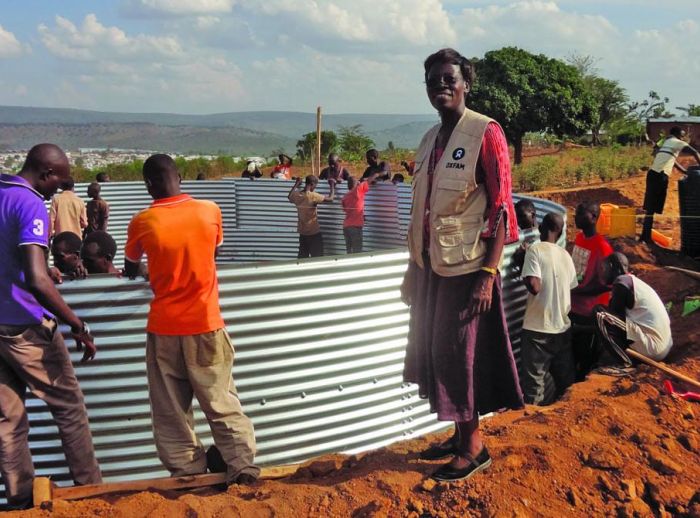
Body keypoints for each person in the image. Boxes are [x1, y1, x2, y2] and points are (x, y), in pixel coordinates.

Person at [401, 48, 523, 482]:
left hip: (468, 269)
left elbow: (502, 208)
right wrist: (412, 269)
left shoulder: (485, 133)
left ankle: (474, 449)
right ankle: (459, 435)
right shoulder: (430, 139)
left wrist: (489, 274)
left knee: (459, 356)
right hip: (433, 268)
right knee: (439, 354)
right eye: (433, 79)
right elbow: (425, 212)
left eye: (449, 78)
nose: (441, 86)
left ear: (466, 84)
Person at [124, 154, 259, 486]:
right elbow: (211, 253)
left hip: (164, 329)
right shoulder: (209, 211)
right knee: (221, 400)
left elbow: (130, 268)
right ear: (180, 177)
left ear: (148, 185)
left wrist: (148, 268)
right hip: (207, 324)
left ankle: (188, 472)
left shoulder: (142, 221)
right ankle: (241, 466)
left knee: (171, 410)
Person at [0, 143, 101, 509]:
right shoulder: (28, 203)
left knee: (8, 419)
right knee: (69, 407)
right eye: (57, 183)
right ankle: (91, 492)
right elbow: (37, 281)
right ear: (44, 174)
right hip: (25, 327)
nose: (56, 190)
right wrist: (77, 324)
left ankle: (20, 502)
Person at [520, 213, 578, 405]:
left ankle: (531, 425)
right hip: (562, 328)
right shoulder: (566, 255)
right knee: (565, 382)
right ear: (560, 231)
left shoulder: (535, 250)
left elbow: (534, 287)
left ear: (540, 228)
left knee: (534, 385)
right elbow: (570, 287)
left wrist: (523, 263)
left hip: (537, 330)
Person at [594, 253, 673, 369]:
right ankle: (629, 358)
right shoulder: (633, 283)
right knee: (606, 318)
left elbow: (613, 319)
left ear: (612, 266)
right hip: (661, 347)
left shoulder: (622, 282)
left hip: (652, 347)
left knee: (600, 314)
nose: (602, 273)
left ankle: (625, 362)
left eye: (604, 268)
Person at [569, 201, 614, 379]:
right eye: (576, 213)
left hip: (590, 312)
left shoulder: (602, 247)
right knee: (573, 355)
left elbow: (608, 283)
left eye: (581, 213)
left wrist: (581, 291)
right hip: (574, 307)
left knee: (585, 358)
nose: (576, 217)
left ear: (594, 217)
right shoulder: (580, 239)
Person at [640, 126, 700, 243]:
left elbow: (673, 160)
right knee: (652, 207)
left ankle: (645, 236)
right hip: (660, 175)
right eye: (682, 136)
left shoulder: (667, 142)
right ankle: (645, 237)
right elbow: (695, 152)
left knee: (651, 208)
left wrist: (685, 171)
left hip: (653, 174)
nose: (684, 138)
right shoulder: (677, 142)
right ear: (677, 135)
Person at [288, 175, 335, 258]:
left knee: (303, 258)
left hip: (302, 233)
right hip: (314, 233)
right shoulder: (313, 196)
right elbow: (330, 199)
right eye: (315, 186)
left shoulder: (297, 195)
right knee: (317, 258)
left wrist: (297, 184)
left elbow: (289, 196)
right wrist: (332, 185)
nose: (315, 188)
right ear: (312, 184)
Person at [341, 173, 379, 254]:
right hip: (355, 228)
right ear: (356, 183)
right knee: (357, 252)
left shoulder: (345, 197)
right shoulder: (358, 190)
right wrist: (377, 174)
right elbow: (369, 180)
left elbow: (349, 210)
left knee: (349, 252)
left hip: (346, 227)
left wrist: (361, 216)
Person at [511, 199, 538, 274]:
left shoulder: (543, 236)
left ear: (532, 215)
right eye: (516, 218)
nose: (518, 221)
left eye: (522, 216)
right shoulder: (518, 235)